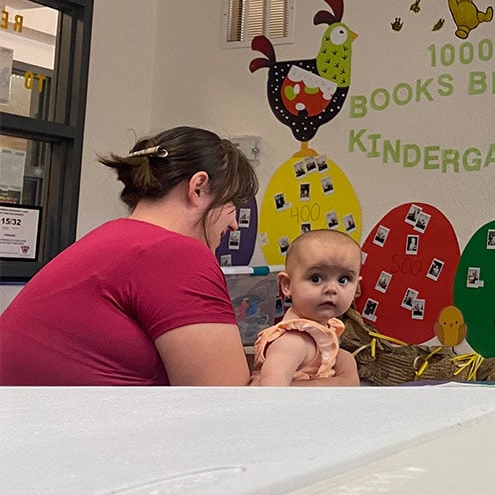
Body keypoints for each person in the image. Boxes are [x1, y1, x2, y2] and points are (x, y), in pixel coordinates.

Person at [0, 126, 258, 385]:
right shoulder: (176, 254)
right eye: (232, 204)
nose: (235, 223)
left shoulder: (112, 238)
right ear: (198, 187)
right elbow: (226, 403)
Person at [251, 229, 360, 386]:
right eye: (316, 278)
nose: (332, 288)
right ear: (287, 285)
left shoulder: (324, 334)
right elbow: (272, 389)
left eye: (343, 279)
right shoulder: (293, 341)